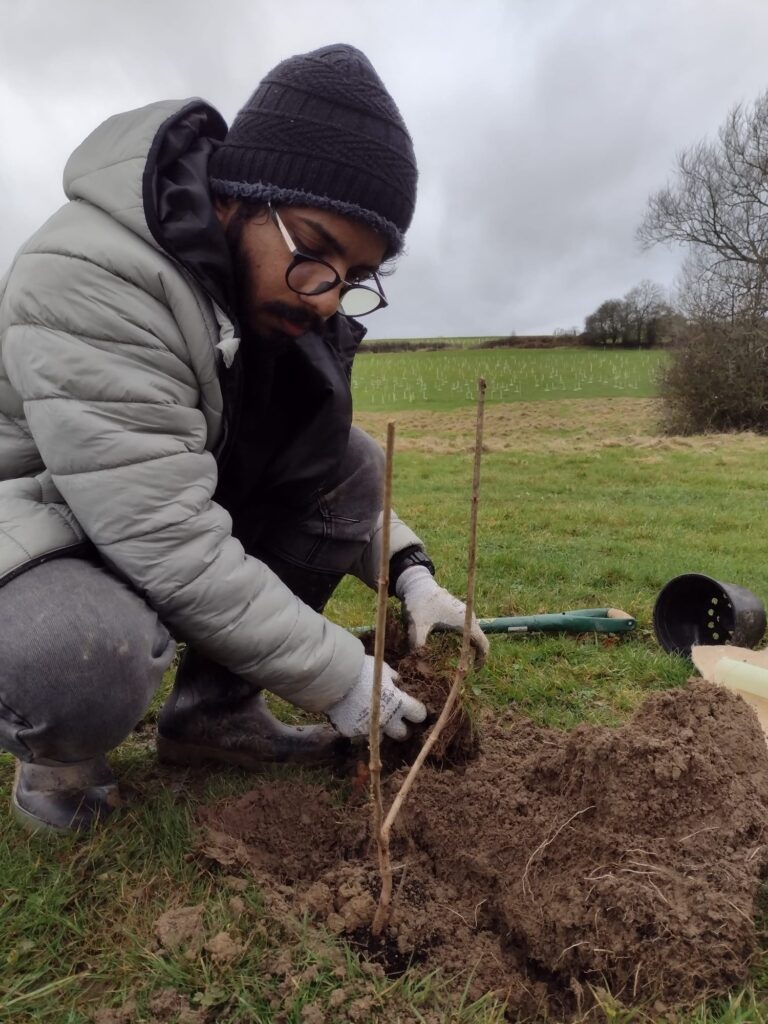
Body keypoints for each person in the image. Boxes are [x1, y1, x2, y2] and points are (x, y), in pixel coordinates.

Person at [0, 43, 488, 833]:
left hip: (137, 502)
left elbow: (320, 463)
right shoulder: (95, 275)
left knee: (352, 460)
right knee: (83, 656)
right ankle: (57, 759)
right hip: (29, 527)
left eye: (355, 275)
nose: (329, 297)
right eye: (317, 250)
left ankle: (215, 718)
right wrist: (340, 675)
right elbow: (167, 539)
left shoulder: (260, 294)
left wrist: (409, 570)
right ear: (238, 195)